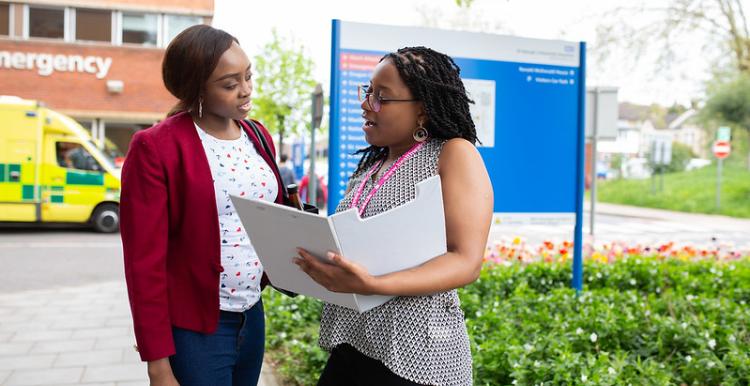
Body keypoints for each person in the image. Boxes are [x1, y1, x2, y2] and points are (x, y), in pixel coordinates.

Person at [294, 46, 493, 386]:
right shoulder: (372, 165)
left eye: (382, 97)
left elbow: (466, 260)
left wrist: (374, 286)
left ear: (422, 110)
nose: (366, 104)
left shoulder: (453, 154)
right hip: (353, 343)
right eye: (368, 92)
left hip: (418, 358)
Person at [120, 25, 284, 386]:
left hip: (252, 314)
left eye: (248, 76)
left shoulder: (258, 135)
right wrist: (158, 364)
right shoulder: (155, 147)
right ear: (195, 87)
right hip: (196, 327)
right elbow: (143, 263)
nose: (246, 90)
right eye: (229, 84)